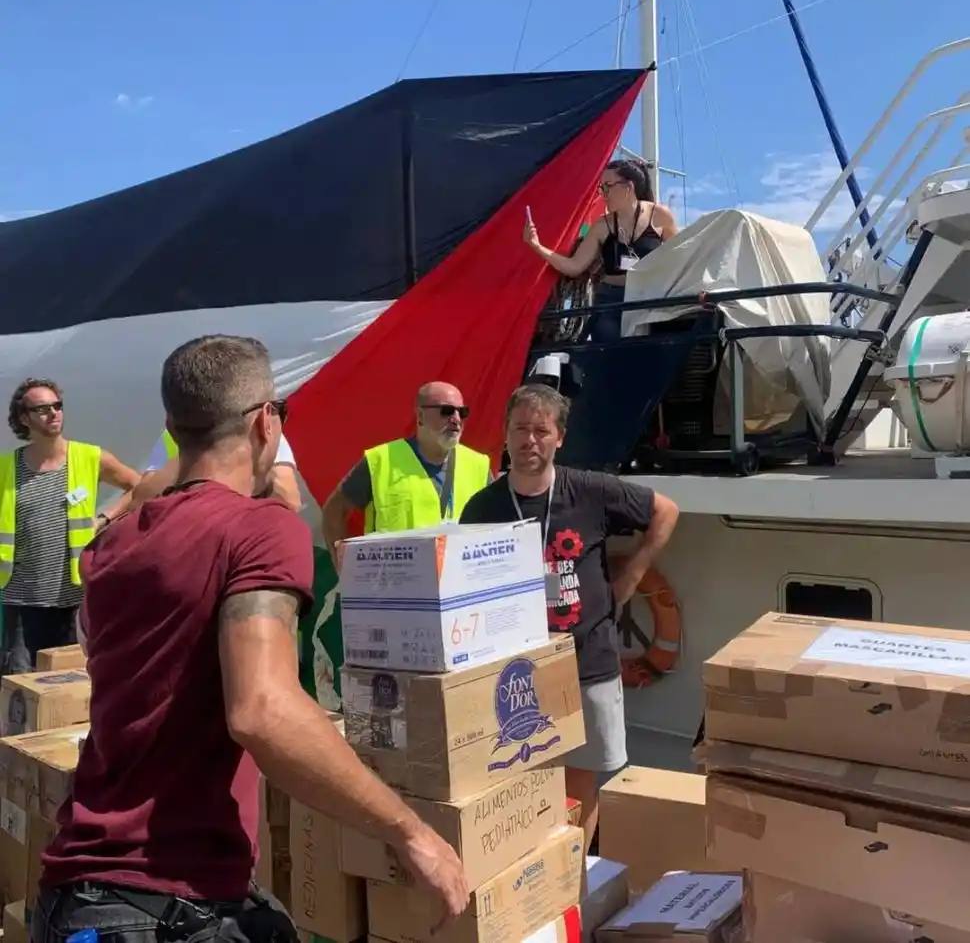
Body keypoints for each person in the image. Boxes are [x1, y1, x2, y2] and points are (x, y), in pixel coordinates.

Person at [34, 335, 468, 943]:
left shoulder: (114, 544)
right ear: (267, 423)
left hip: (76, 898)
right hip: (168, 908)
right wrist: (412, 833)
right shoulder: (260, 530)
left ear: (173, 426)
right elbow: (263, 711)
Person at [460, 383, 679, 853]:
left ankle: (571, 881)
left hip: (588, 665)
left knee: (581, 787)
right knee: (520, 789)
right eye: (520, 429)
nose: (530, 440)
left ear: (559, 437)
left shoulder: (592, 490)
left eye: (541, 430)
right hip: (515, 677)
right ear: (505, 435)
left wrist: (633, 575)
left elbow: (666, 511)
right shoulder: (482, 508)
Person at [0, 378, 139, 673]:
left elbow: (139, 487)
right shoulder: (6, 468)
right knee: (19, 694)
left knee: (69, 686)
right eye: (42, 409)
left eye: (57, 406)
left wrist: (104, 518)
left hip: (73, 600)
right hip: (21, 602)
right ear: (23, 418)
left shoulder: (89, 457)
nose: (54, 413)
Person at [321, 380, 491, 557]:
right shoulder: (380, 461)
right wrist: (347, 570)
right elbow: (333, 513)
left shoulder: (478, 464)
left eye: (462, 412)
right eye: (446, 411)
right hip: (395, 581)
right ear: (420, 415)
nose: (456, 419)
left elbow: (500, 522)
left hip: (459, 579)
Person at [524, 158, 677, 343]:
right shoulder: (601, 226)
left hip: (650, 298)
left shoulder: (661, 216)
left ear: (628, 187)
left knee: (646, 356)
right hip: (611, 300)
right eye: (601, 187)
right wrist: (537, 246)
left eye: (607, 186)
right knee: (607, 356)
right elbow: (575, 266)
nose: (603, 193)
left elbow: (677, 259)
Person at [119, 427, 303, 514]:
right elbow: (140, 502)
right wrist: (196, 452)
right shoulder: (174, 434)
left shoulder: (262, 430)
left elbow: (289, 500)